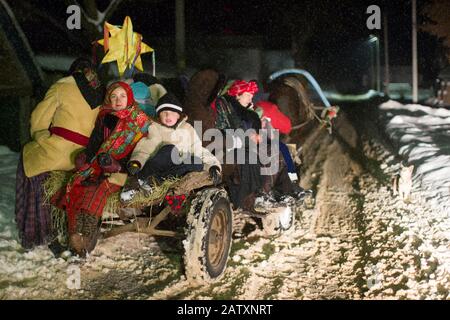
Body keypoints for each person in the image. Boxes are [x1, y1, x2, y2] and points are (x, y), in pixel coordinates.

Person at [52, 81, 149, 257]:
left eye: (122, 96)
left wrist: (118, 164)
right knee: (77, 184)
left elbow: (142, 151)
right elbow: (95, 142)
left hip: (122, 170)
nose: (118, 100)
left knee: (96, 190)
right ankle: (74, 234)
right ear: (108, 99)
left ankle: (85, 239)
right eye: (113, 96)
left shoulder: (139, 121)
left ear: (130, 97)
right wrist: (87, 158)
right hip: (99, 163)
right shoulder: (104, 116)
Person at [15, 57, 104, 249]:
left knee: (28, 158)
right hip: (86, 157)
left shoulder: (62, 86)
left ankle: (38, 229)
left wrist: (40, 137)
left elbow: (38, 119)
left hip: (58, 153)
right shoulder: (101, 91)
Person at [121, 93, 221, 201]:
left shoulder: (188, 129)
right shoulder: (156, 127)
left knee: (196, 162)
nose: (168, 116)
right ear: (159, 115)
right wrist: (136, 162)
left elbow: (199, 150)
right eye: (164, 112)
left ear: (179, 115)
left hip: (174, 173)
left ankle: (155, 183)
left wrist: (213, 165)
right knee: (170, 149)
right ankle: (139, 181)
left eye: (172, 112)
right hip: (158, 165)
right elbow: (146, 147)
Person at [211, 79, 266, 212]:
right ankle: (245, 199)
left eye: (252, 96)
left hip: (238, 144)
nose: (250, 98)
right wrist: (249, 137)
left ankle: (257, 194)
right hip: (225, 146)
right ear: (237, 94)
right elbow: (226, 129)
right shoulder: (224, 106)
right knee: (248, 159)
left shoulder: (242, 110)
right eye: (248, 95)